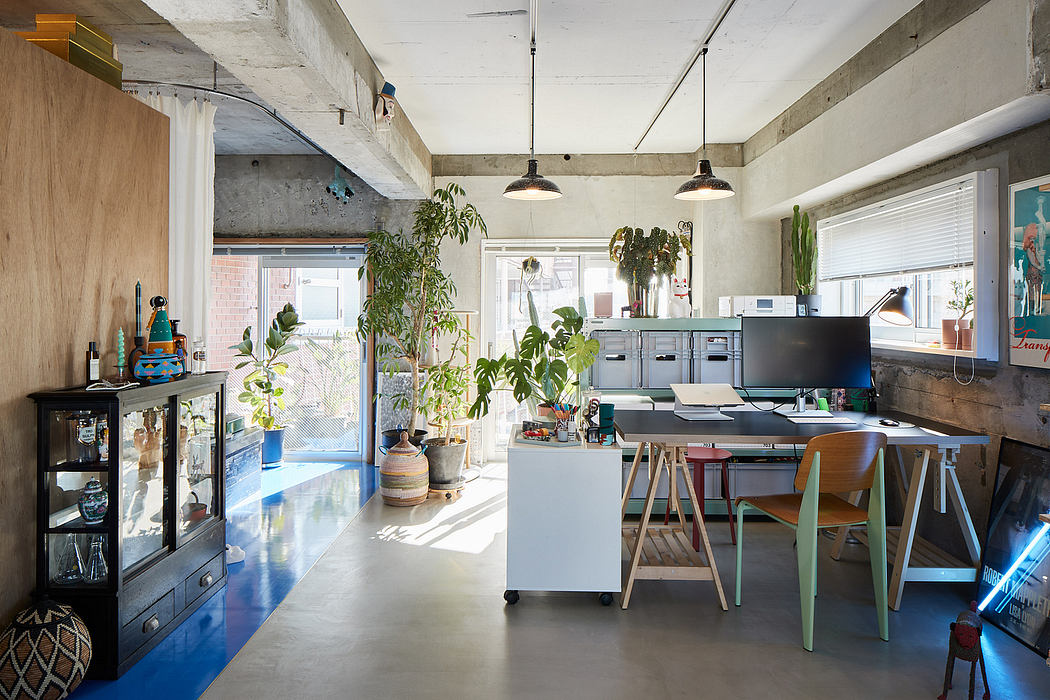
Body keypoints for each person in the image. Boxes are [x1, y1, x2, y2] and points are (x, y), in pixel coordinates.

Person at [1023, 222, 1044, 316]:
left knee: (1037, 290)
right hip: (1033, 272)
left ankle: (1037, 309)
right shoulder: (1029, 249)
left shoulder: (1036, 249)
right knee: (1032, 290)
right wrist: (1039, 266)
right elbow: (1032, 261)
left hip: (1036, 272)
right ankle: (1032, 311)